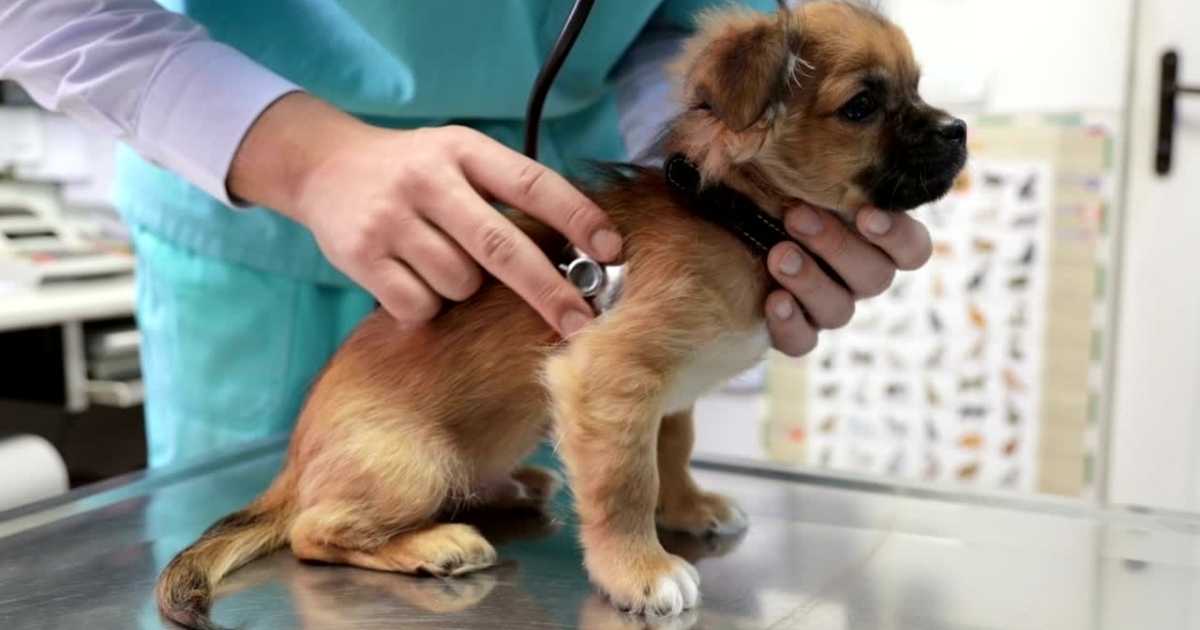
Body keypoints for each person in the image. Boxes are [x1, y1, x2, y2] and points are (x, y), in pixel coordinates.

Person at [0, 1, 932, 468]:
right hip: (258, 229)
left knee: (558, 570)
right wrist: (303, 157)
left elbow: (689, 28)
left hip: (586, 239)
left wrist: (740, 181)